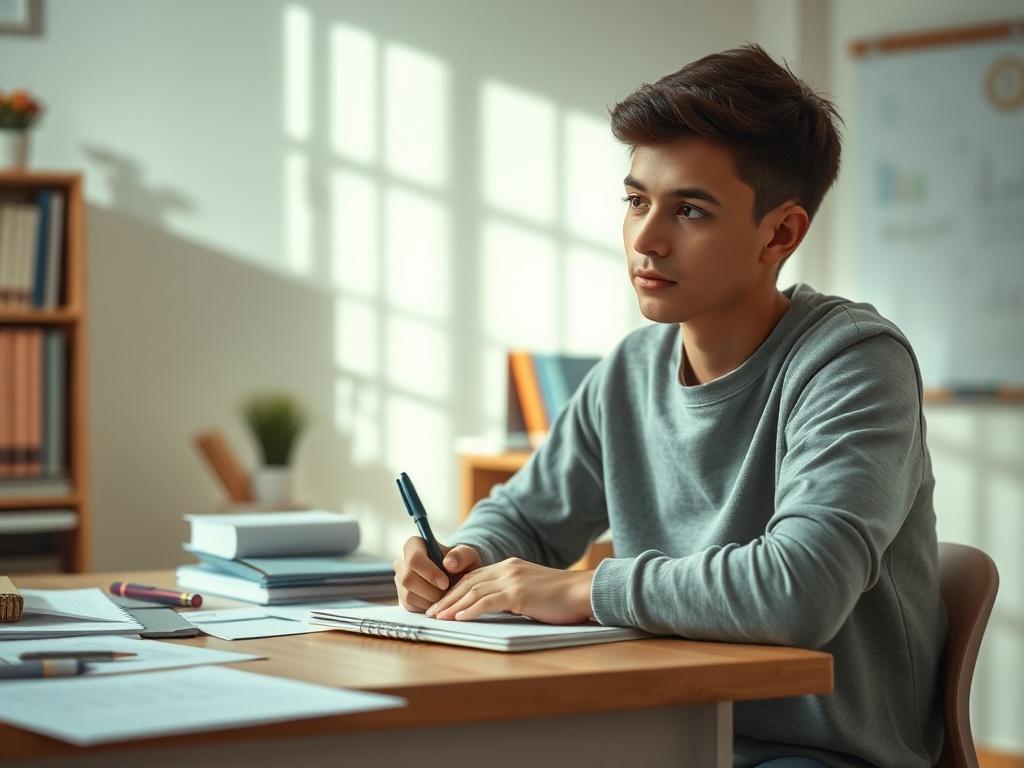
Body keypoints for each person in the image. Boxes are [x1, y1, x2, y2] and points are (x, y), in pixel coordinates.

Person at [393, 43, 945, 768]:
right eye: (635, 201)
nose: (646, 240)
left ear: (780, 234)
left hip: (811, 756)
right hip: (659, 730)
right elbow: (528, 515)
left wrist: (588, 589)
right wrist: (465, 556)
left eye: (689, 210)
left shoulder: (853, 362)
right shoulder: (631, 369)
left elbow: (798, 590)